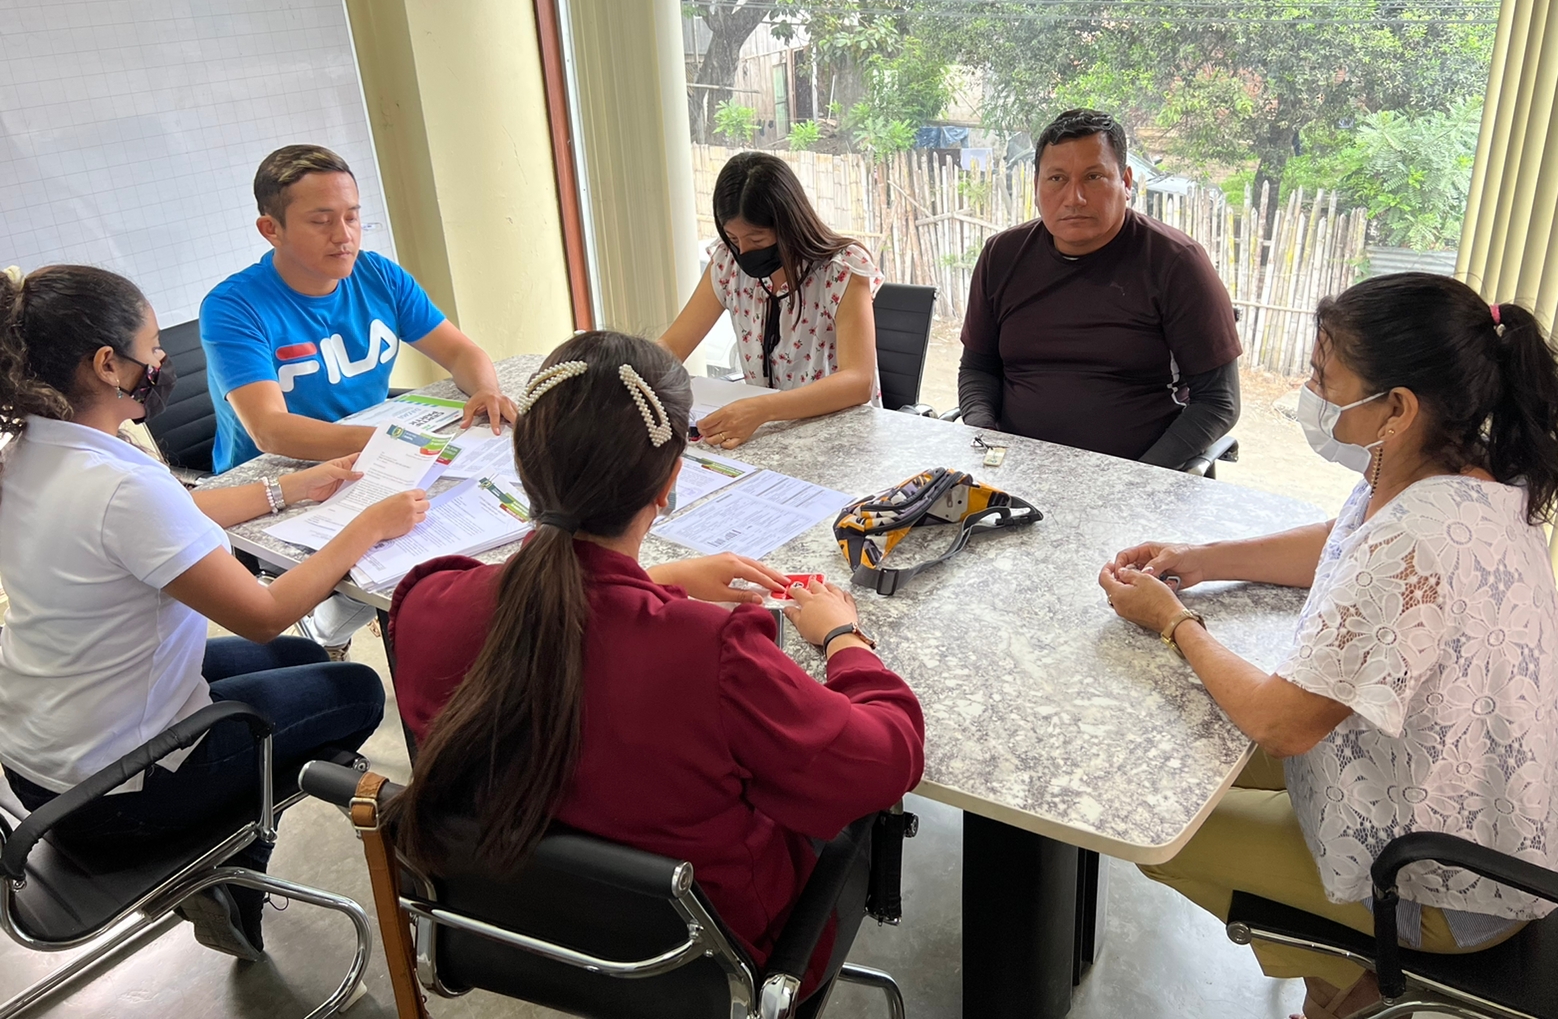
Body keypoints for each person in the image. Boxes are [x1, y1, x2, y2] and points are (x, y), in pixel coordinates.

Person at [1098, 272, 1558, 1019]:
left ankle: (1342, 990)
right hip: (1469, 812)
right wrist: (1202, 559)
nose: (1310, 394)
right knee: (1176, 750)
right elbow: (1344, 539)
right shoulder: (1456, 472)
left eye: (1326, 381)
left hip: (1446, 887)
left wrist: (1173, 621)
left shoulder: (1416, 540)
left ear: (1397, 407)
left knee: (1147, 830)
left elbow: (1282, 725)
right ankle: (1336, 982)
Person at [387, 331, 924, 998]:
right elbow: (888, 758)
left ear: (524, 465)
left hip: (518, 938)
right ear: (669, 482)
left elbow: (562, 616)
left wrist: (655, 578)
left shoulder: (425, 605)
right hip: (710, 969)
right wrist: (843, 636)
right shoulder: (712, 654)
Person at [0, 265, 428, 963]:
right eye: (151, 348)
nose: (160, 360)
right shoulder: (120, 486)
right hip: (116, 793)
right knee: (355, 690)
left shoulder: (31, 452)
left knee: (302, 659)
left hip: (40, 760)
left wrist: (291, 489)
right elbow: (263, 613)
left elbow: (169, 514)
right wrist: (369, 526)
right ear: (107, 364)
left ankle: (225, 843)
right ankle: (228, 868)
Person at [200, 144, 514, 653]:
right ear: (271, 229)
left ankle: (343, 618)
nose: (344, 235)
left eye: (352, 216)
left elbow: (460, 351)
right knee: (413, 551)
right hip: (279, 481)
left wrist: (486, 389)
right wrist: (391, 443)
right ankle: (326, 625)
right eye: (321, 221)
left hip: (372, 455)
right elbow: (269, 430)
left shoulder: (378, 275)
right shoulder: (233, 307)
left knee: (474, 524)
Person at [959, 108, 1242, 467]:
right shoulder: (1002, 256)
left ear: (1126, 181)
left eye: (1093, 177)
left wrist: (1137, 478)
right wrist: (986, 437)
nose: (1074, 197)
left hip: (1133, 475)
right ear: (1036, 186)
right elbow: (978, 368)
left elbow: (1219, 401)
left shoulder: (1176, 263)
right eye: (1057, 178)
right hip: (1014, 468)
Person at [660, 152, 883, 449]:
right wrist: (625, 371)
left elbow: (857, 381)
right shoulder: (727, 264)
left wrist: (762, 409)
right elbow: (673, 346)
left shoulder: (842, 269)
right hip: (768, 434)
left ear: (789, 226)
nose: (743, 251)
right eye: (733, 238)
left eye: (757, 240)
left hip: (840, 437)